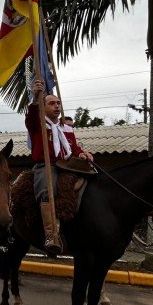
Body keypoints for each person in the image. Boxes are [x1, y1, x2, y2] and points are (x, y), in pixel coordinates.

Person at [24, 79, 93, 255]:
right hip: (46, 165)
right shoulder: (37, 124)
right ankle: (51, 235)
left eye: (58, 103)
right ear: (44, 107)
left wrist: (83, 154)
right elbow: (30, 116)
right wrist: (35, 97)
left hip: (69, 165)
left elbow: (75, 148)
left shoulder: (67, 129)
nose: (56, 106)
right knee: (48, 187)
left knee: (95, 178)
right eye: (52, 103)